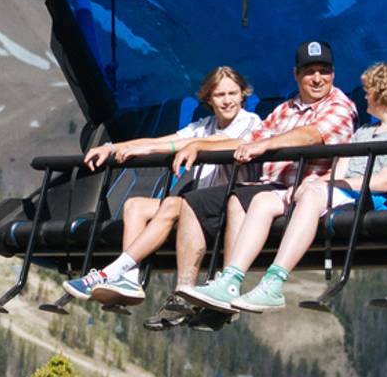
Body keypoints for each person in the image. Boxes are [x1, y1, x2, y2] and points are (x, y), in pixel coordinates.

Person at [225, 61, 387, 314]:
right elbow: (340, 169)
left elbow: (384, 182)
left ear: (383, 92)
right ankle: (230, 278)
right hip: (345, 192)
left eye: (368, 90)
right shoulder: (365, 131)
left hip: (377, 201)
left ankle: (273, 282)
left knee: (313, 194)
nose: (364, 95)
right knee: (264, 200)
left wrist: (325, 185)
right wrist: (314, 180)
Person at [180, 38, 360, 314]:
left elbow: (312, 135)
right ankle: (194, 290)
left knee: (246, 200)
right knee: (196, 201)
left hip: (314, 187)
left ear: (333, 74)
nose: (317, 78)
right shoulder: (285, 109)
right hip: (275, 187)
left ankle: (244, 282)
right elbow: (250, 140)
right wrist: (200, 144)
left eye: (323, 71)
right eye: (309, 71)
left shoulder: (340, 106)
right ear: (296, 74)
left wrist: (266, 145)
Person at [61, 66, 261, 307]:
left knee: (171, 204)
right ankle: (129, 278)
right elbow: (162, 141)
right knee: (136, 206)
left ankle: (110, 271)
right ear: (209, 98)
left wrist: (187, 146)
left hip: (228, 203)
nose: (228, 101)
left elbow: (226, 142)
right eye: (220, 95)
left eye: (233, 93)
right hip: (197, 204)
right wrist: (113, 147)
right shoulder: (204, 125)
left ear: (242, 95)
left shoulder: (251, 122)